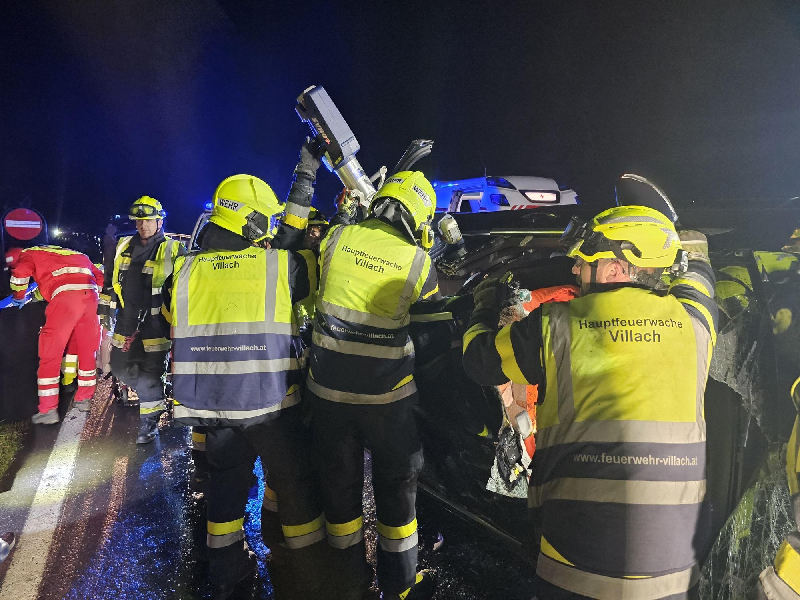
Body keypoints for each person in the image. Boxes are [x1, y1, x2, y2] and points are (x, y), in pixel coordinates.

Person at [463, 204, 718, 599]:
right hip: (675, 570)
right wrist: (693, 252)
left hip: (577, 559)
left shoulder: (555, 324)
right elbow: (699, 280)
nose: (575, 269)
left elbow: (480, 361)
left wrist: (482, 306)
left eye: (583, 262)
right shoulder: (695, 323)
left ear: (614, 268)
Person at [164, 174, 328, 599]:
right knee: (293, 485)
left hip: (216, 408)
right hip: (272, 407)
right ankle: (305, 570)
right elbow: (308, 264)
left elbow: (169, 316)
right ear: (250, 221)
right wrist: (304, 184)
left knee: (225, 489)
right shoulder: (279, 266)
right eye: (264, 219)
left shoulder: (184, 272)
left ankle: (225, 575)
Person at [307, 171, 440, 600]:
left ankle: (348, 580)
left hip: (327, 393)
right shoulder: (418, 262)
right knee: (397, 493)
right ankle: (399, 586)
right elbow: (433, 329)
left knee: (339, 487)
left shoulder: (337, 238)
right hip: (388, 401)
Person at [98, 196, 185, 444]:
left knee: (150, 374)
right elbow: (109, 280)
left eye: (148, 221)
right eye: (139, 221)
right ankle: (156, 395)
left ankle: (149, 424)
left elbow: (183, 289)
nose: (143, 226)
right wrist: (104, 311)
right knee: (118, 366)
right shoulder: (123, 245)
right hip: (126, 321)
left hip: (157, 323)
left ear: (160, 221)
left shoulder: (174, 249)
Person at [7, 245, 104, 422]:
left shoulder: (28, 254)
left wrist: (18, 296)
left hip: (65, 301)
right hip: (91, 298)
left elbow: (20, 274)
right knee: (88, 350)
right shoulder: (74, 253)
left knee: (50, 351)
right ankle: (84, 399)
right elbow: (98, 276)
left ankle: (48, 410)